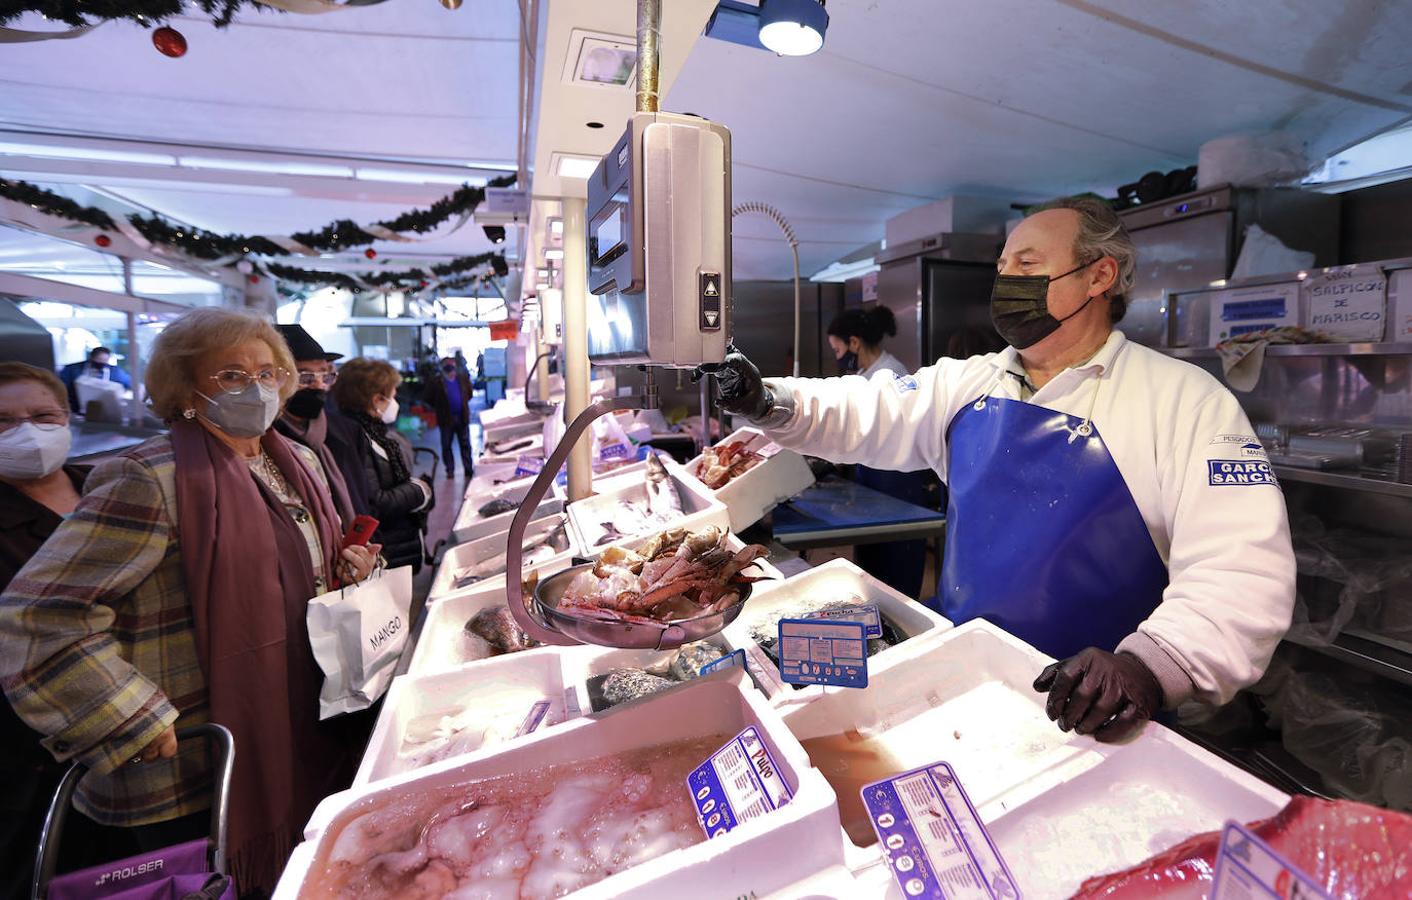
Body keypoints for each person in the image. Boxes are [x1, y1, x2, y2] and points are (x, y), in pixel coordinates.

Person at [698, 197, 1295, 743]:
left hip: (1096, 714)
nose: (1008, 281)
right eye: (1004, 267)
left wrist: (1149, 665)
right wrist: (767, 401)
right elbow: (870, 409)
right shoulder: (971, 380)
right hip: (961, 680)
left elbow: (1242, 569)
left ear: (1100, 275)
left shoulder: (1186, 402)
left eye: (1029, 265)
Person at [0, 308, 380, 894]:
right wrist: (128, 715)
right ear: (185, 388)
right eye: (229, 375)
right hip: (190, 757)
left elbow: (297, 573)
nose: (254, 387)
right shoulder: (149, 478)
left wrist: (349, 568)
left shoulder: (294, 461)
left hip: (302, 721)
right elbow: (39, 615)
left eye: (267, 372)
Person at [0, 363, 88, 899]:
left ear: (67, 418)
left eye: (41, 416)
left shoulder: (106, 486)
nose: (26, 431)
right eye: (3, 422)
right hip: (29, 742)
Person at [825, 306, 933, 599]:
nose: (838, 356)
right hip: (874, 481)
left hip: (897, 485)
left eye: (838, 349)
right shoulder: (866, 373)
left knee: (896, 576)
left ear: (854, 343)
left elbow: (881, 435)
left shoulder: (890, 374)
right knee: (873, 572)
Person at [333, 358, 434, 572]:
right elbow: (373, 502)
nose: (394, 403)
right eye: (392, 396)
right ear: (376, 400)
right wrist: (420, 491)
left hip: (398, 541)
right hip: (385, 548)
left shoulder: (376, 433)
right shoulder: (356, 438)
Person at [274, 324, 367, 525]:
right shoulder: (266, 439)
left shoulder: (348, 431)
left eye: (325, 375)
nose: (319, 385)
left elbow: (362, 497)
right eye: (305, 377)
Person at [424, 355, 475, 480]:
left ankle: (468, 469)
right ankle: (450, 470)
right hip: (446, 419)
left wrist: (460, 405)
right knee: (446, 445)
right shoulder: (436, 382)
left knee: (465, 444)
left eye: (452, 370)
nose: (451, 373)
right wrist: (439, 408)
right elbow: (428, 398)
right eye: (448, 371)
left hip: (461, 417)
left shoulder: (462, 379)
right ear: (443, 370)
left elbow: (469, 393)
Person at [59, 346, 132, 413]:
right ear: (91, 358)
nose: (101, 363)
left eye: (105, 360)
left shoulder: (114, 371)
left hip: (105, 408)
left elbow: (129, 384)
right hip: (77, 407)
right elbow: (61, 386)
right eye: (99, 359)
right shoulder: (72, 369)